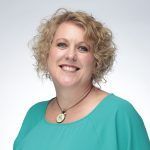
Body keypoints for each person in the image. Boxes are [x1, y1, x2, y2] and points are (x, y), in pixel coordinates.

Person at [13, 8, 150, 150]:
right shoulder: (34, 115)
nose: (70, 55)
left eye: (83, 48)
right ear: (47, 53)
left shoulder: (119, 114)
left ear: (97, 59)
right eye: (62, 44)